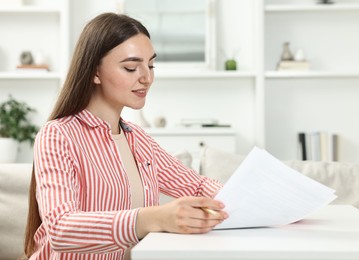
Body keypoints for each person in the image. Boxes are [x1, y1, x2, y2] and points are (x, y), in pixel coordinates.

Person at [24, 12, 228, 259]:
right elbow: (61, 228)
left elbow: (196, 186)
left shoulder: (137, 139)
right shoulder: (58, 136)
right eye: (131, 67)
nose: (147, 77)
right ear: (94, 72)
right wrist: (154, 218)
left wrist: (256, 199)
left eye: (150, 65)